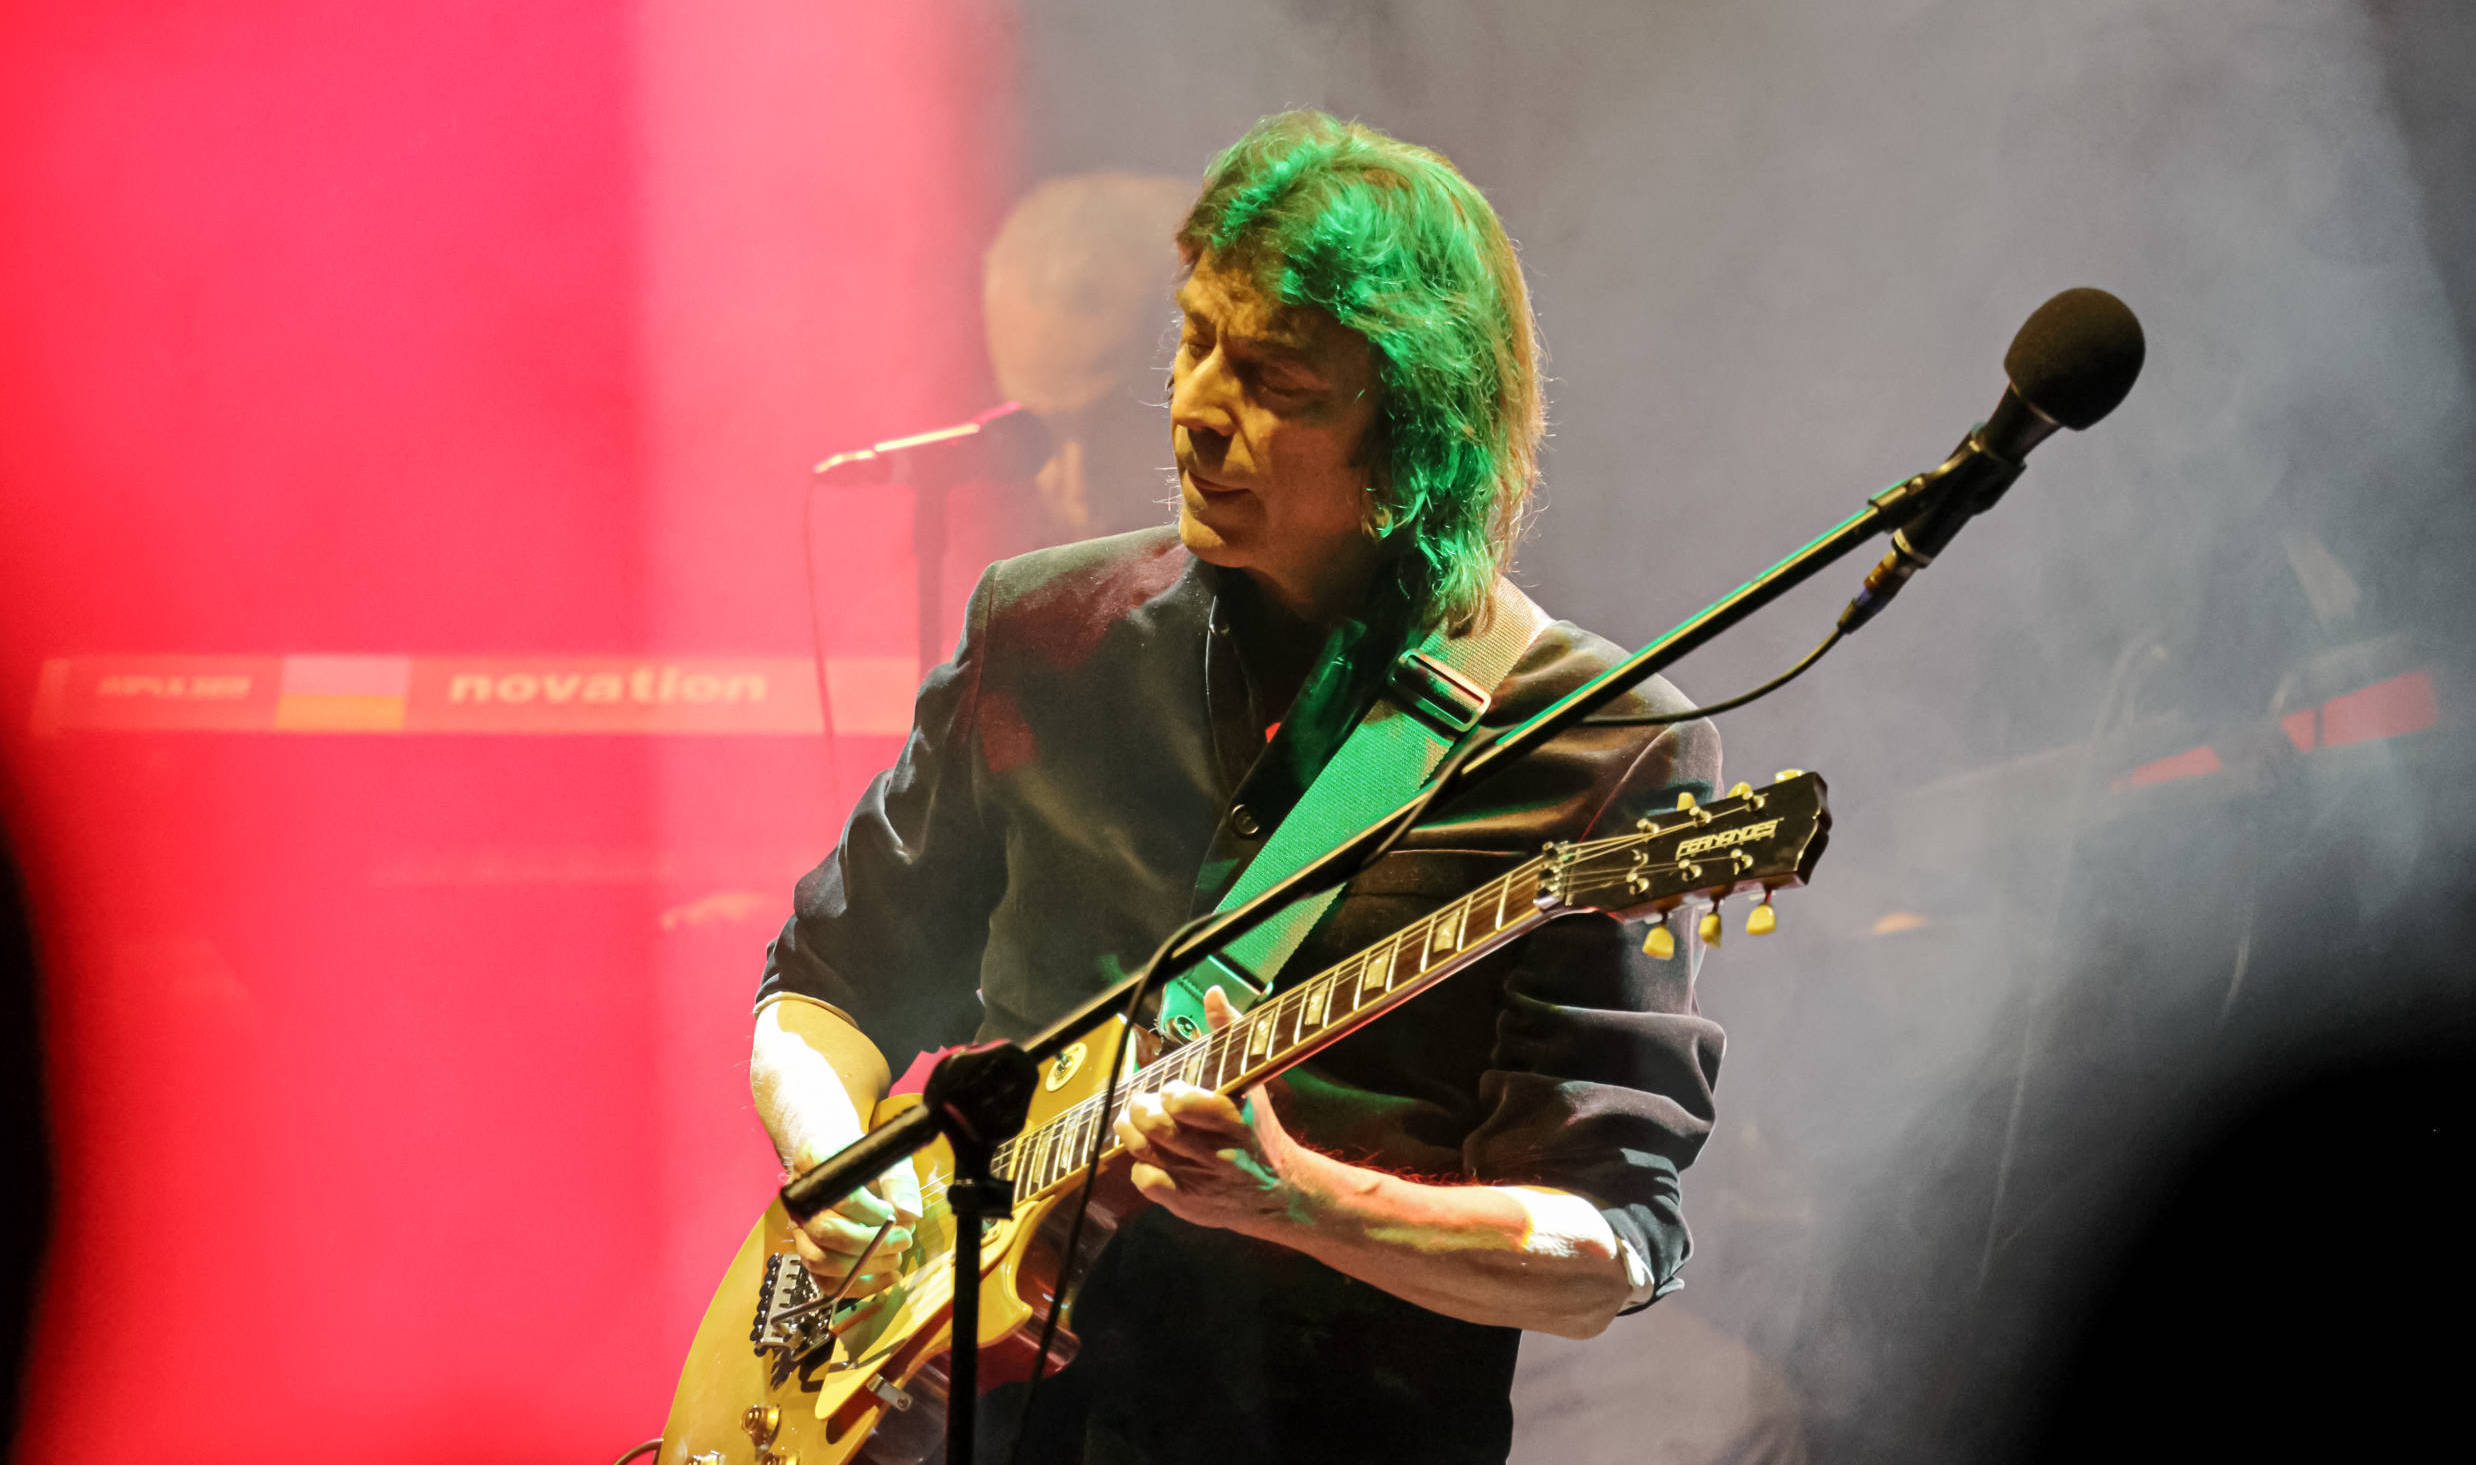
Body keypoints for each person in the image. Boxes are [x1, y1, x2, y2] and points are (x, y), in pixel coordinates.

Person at [752, 111, 1726, 1464]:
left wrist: (1298, 1199)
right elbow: (823, 980)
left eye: (1277, 380)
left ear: (1414, 431)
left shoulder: (1593, 744)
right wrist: (828, 1160)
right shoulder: (1045, 630)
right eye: (1197, 339)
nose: (1199, 406)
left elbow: (1611, 1245)